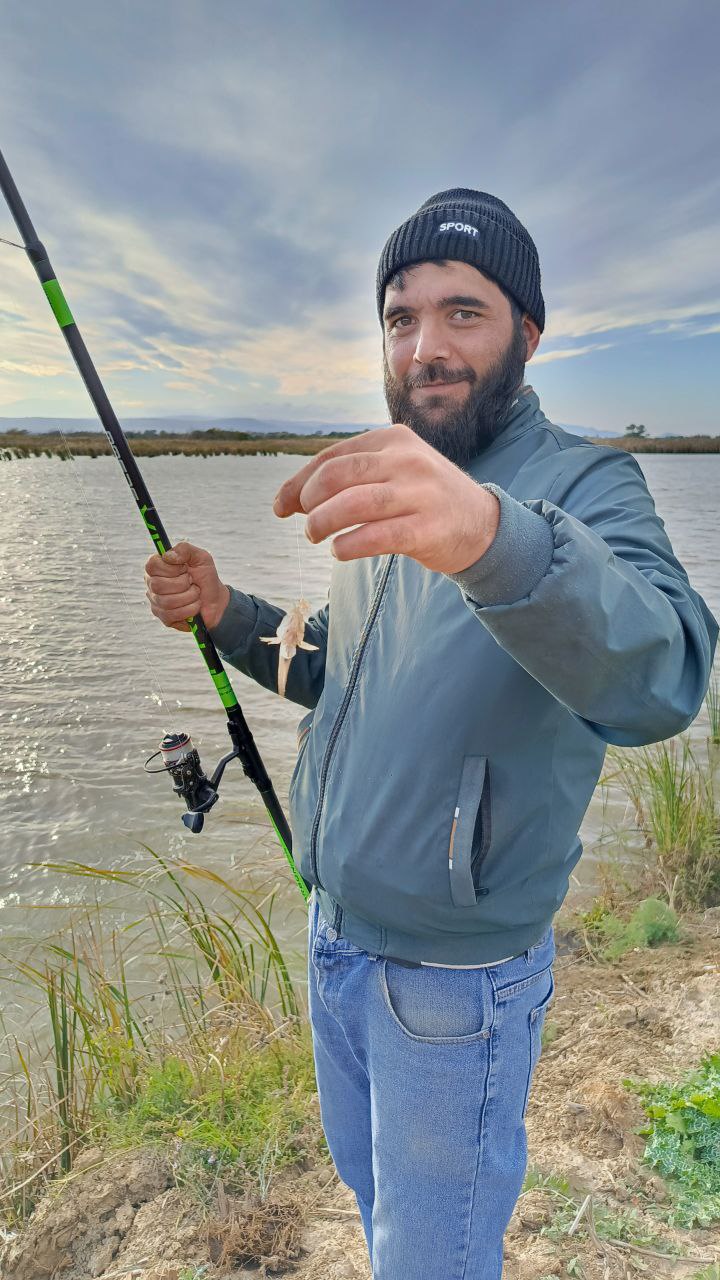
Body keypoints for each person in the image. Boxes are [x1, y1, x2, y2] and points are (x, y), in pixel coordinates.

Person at [144, 189, 718, 1279]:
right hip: (336, 938)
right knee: (379, 1211)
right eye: (402, 317)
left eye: (465, 312)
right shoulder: (395, 478)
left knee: (436, 1259)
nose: (427, 347)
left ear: (529, 334)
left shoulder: (586, 486)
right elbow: (334, 669)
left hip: (455, 986)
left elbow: (668, 672)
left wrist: (494, 538)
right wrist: (224, 613)